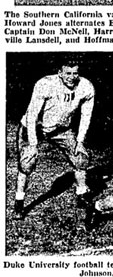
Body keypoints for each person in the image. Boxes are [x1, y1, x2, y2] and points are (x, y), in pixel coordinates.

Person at [14, 61, 95, 219]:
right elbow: (32, 116)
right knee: (27, 163)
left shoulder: (86, 87)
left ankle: (81, 193)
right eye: (68, 73)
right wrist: (32, 144)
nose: (71, 77)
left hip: (60, 129)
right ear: (60, 73)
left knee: (81, 158)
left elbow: (86, 116)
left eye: (75, 73)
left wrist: (80, 140)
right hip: (36, 127)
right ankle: (19, 202)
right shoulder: (46, 84)